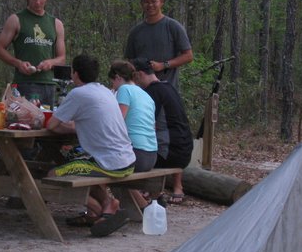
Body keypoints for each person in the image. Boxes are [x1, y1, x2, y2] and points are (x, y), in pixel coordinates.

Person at [47, 54, 136, 237]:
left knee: (53, 175)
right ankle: (109, 204)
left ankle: (98, 210)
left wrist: (64, 126)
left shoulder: (78, 93)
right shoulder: (105, 91)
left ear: (75, 74)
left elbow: (51, 125)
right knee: (83, 168)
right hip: (128, 159)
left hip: (110, 163)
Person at [0, 0, 66, 108]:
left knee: (47, 118)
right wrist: (18, 63)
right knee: (27, 118)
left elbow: (62, 58)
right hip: (25, 82)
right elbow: (0, 49)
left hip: (49, 84)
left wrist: (50, 63)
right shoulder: (16, 19)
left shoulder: (56, 24)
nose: (37, 2)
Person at [132, 57, 193, 204]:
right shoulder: (168, 87)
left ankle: (141, 201)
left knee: (123, 162)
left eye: (132, 78)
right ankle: (150, 193)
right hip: (185, 152)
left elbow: (147, 127)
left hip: (170, 154)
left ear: (139, 74)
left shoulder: (151, 93)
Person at [108, 59, 158, 210]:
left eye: (112, 82)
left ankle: (103, 208)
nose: (112, 86)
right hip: (151, 155)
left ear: (117, 77)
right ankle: (143, 207)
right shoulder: (146, 95)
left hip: (136, 154)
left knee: (99, 166)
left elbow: (118, 122)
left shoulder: (124, 90)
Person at [124, 0, 193, 90]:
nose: (150, 5)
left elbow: (188, 56)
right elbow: (129, 61)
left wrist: (163, 65)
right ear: (141, 4)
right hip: (141, 92)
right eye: (146, 2)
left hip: (167, 90)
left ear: (161, 1)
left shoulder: (173, 26)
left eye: (153, 1)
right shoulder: (135, 32)